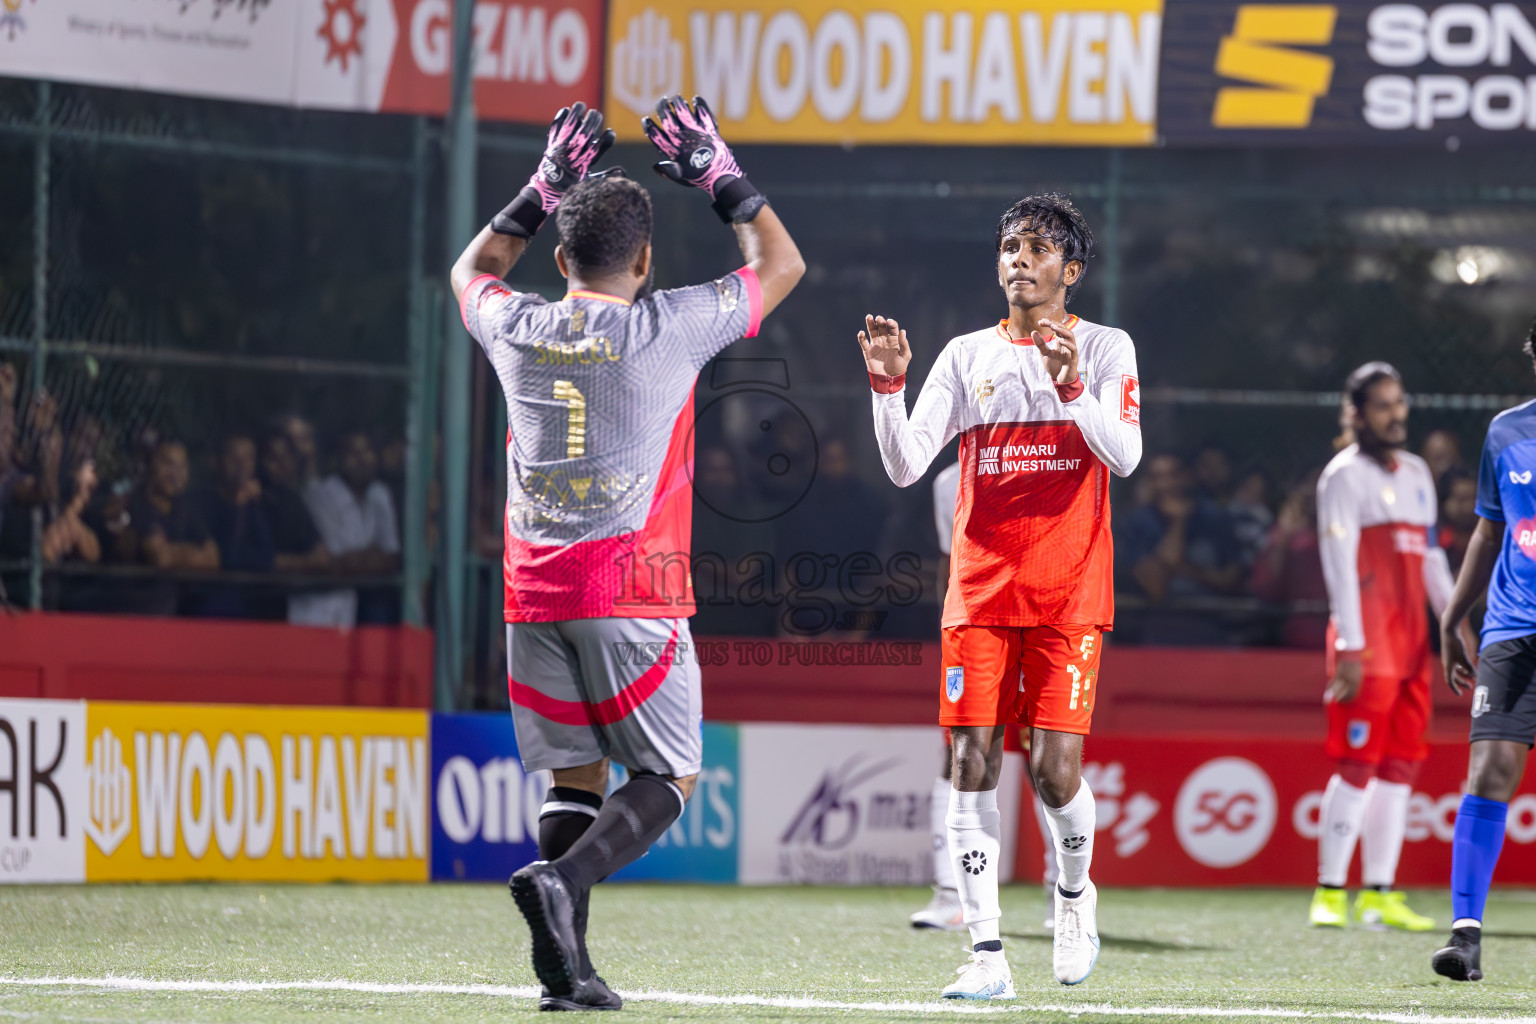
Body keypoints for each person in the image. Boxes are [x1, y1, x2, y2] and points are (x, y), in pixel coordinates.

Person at [449, 97, 802, 1010]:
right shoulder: (670, 325)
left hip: (532, 594)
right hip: (632, 590)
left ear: (561, 260)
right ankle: (563, 888)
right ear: (645, 263)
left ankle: (571, 968)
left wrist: (541, 185)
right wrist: (722, 175)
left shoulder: (514, 326)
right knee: (670, 774)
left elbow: (471, 269)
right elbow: (779, 263)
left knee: (575, 778)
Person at [858, 192, 1141, 995]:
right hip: (979, 593)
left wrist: (1074, 388)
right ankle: (986, 957)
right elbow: (909, 465)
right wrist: (887, 390)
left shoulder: (1108, 348)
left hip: (1069, 592)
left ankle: (1076, 896)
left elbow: (1125, 457)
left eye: (1039, 248)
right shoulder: (963, 355)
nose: (1020, 257)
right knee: (969, 760)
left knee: (1054, 772)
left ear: (1071, 271)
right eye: (1011, 246)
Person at [1309, 362, 1452, 932]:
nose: (1395, 414)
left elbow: (1433, 558)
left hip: (1412, 646)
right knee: (1357, 765)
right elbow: (1337, 563)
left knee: (1400, 768)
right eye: (1382, 404)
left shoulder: (1418, 472)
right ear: (1356, 413)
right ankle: (1329, 891)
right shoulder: (1342, 477)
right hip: (1367, 647)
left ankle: (1380, 894)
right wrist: (1349, 641)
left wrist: (1455, 626)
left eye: (1399, 402)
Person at [1432, 317, 1536, 983]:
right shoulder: (1506, 431)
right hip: (1513, 626)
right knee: (1489, 770)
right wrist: (1453, 615)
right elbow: (1488, 530)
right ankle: (1464, 936)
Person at [910, 461, 1054, 935]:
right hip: (979, 628)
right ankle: (950, 894)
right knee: (958, 751)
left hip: (1042, 624)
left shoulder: (1053, 460)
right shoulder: (948, 481)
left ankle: (1062, 893)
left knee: (1047, 759)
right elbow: (952, 566)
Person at [299, 431, 401, 628]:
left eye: (366, 452)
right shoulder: (321, 494)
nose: (361, 460)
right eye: (352, 454)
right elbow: (339, 560)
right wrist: (373, 556)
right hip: (329, 606)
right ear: (338, 460)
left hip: (371, 601)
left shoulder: (380, 494)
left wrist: (368, 559)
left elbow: (392, 555)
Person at [199, 434, 277, 618]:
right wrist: (238, 506)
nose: (241, 465)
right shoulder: (200, 504)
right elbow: (228, 559)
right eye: (233, 458)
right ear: (217, 461)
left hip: (256, 614)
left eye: (248, 458)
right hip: (208, 612)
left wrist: (250, 505)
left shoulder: (266, 503)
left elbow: (267, 558)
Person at [1437, 468, 1479, 575]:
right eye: (1462, 500)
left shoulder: (1494, 544)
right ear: (1444, 502)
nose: (1469, 507)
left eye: (1474, 499)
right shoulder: (1434, 543)